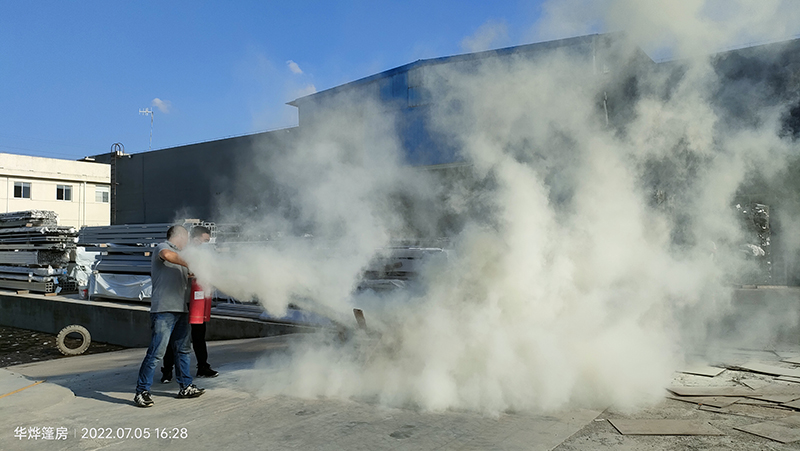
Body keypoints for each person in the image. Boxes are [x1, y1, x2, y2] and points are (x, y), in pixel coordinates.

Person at [133, 225, 204, 407]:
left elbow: (187, 274)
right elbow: (167, 256)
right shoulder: (163, 247)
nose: (188, 242)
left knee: (183, 350)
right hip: (164, 310)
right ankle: (142, 391)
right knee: (157, 352)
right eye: (186, 238)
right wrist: (190, 263)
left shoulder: (181, 258)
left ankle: (185, 386)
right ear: (179, 235)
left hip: (180, 309)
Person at [161, 226, 219, 382]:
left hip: (198, 301)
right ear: (195, 239)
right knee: (175, 338)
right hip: (181, 301)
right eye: (204, 240)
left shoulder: (203, 254)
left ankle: (202, 367)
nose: (206, 244)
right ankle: (167, 371)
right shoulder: (181, 252)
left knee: (199, 336)